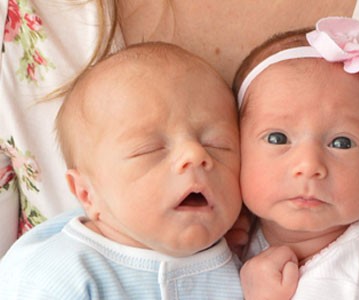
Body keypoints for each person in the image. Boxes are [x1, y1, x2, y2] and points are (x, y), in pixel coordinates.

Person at [1, 1, 359, 298]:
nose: (308, 166)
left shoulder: (344, 280)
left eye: (215, 143)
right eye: (277, 139)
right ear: (85, 192)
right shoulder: (56, 269)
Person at [0, 41, 243, 299]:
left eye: (217, 144)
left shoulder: (247, 268)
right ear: (87, 194)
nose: (195, 154)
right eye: (150, 149)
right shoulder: (59, 275)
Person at [234, 17, 359, 299]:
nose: (309, 165)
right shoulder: (248, 226)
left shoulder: (351, 282)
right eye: (278, 138)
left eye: (341, 143)